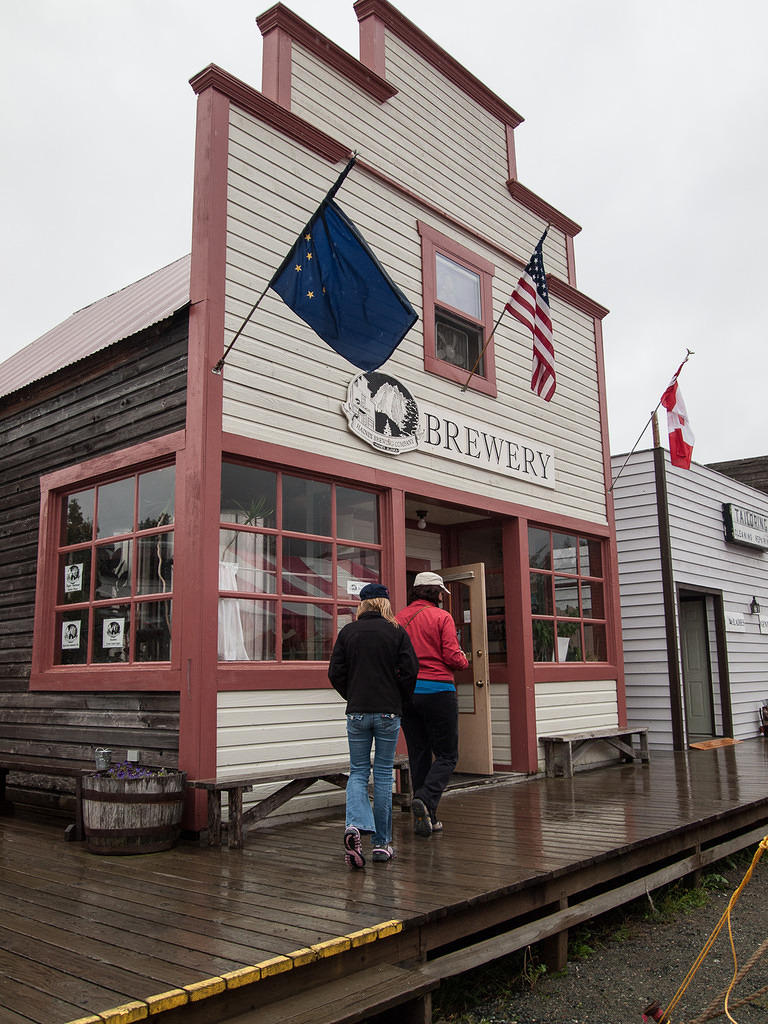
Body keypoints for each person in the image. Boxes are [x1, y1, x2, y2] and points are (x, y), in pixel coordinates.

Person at [328, 582, 418, 868]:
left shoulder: (348, 633)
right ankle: (381, 844)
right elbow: (411, 671)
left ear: (362, 604)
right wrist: (398, 698)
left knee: (357, 773)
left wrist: (351, 694)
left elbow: (335, 673)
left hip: (356, 711)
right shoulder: (395, 632)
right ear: (385, 603)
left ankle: (354, 826)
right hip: (388, 712)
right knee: (382, 775)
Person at [397, 571, 469, 837]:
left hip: (407, 692)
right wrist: (464, 660)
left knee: (419, 753)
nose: (442, 596)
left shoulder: (399, 619)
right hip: (438, 689)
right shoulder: (442, 617)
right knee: (448, 754)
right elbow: (452, 656)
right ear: (435, 592)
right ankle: (426, 799)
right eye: (441, 592)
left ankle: (428, 818)